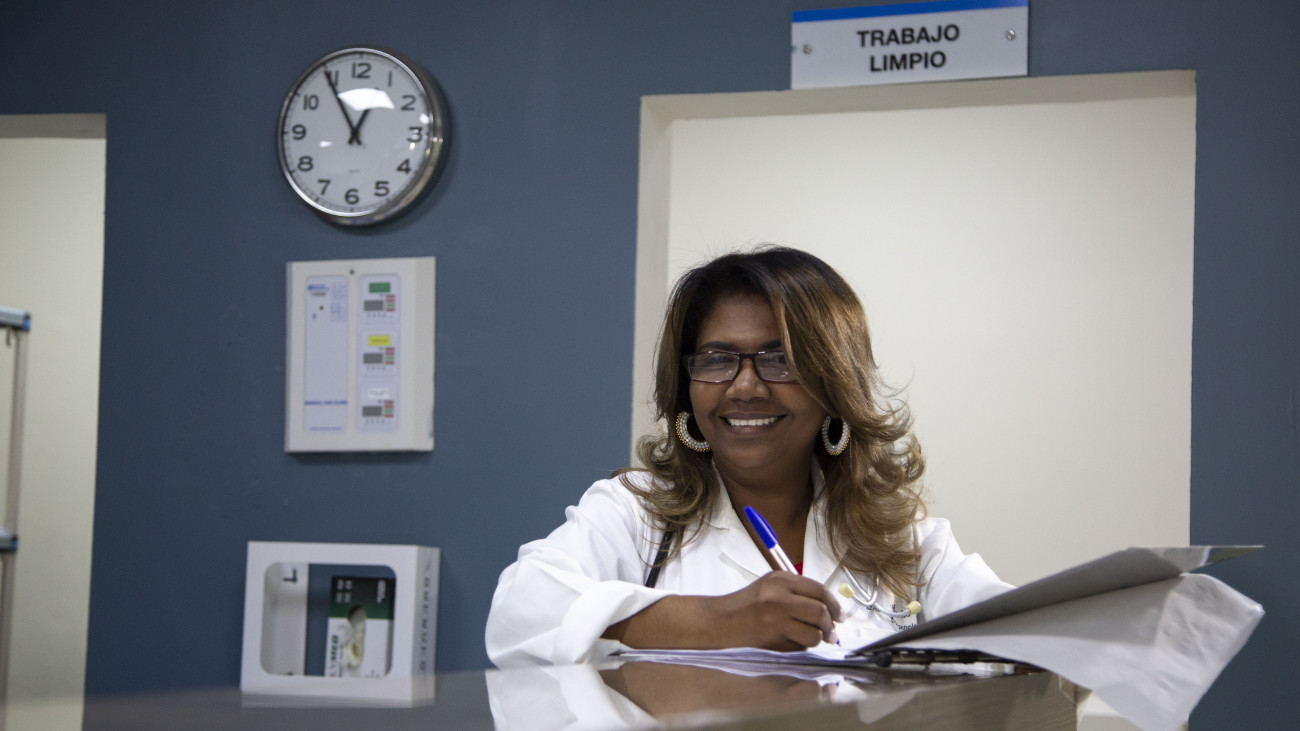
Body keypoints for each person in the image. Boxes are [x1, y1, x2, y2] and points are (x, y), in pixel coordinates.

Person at [486, 246, 1011, 667]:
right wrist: (718, 622)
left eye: (779, 359)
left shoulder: (901, 540)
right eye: (717, 359)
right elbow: (518, 612)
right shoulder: (637, 514)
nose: (744, 387)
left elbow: (1025, 628)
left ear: (833, 385)